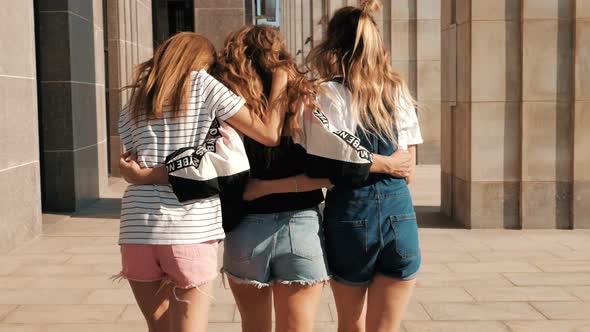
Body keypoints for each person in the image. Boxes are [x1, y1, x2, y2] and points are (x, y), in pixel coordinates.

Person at [243, 1, 423, 331]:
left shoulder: (326, 94)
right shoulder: (398, 91)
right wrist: (387, 165)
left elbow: (326, 165)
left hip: (352, 216)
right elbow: (407, 168)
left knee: (350, 325)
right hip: (401, 216)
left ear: (332, 45)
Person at [116, 32, 288, 332]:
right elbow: (268, 134)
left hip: (136, 229)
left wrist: (142, 175)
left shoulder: (135, 100)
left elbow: (130, 162)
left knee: (158, 328)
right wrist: (281, 83)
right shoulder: (203, 84)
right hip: (189, 226)